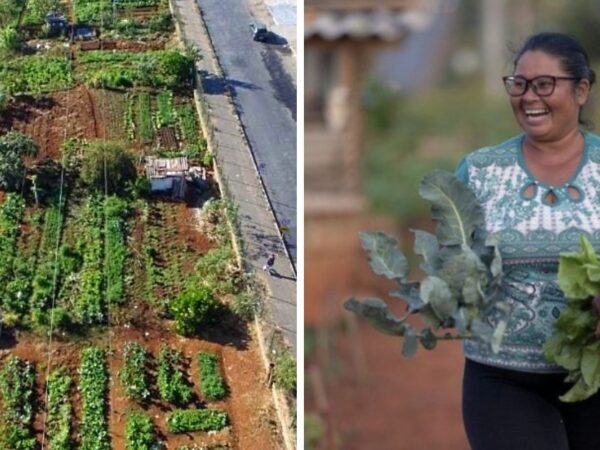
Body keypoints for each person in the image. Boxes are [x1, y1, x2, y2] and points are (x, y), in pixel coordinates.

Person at [455, 32, 600, 450]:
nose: (528, 97)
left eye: (544, 84)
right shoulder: (479, 172)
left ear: (582, 90)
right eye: (518, 84)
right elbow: (452, 264)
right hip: (502, 380)